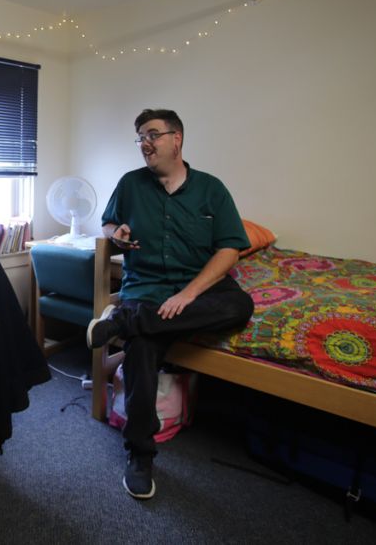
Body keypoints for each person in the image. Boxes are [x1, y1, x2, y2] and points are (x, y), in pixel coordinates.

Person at [87, 109, 255, 499]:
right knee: (142, 350)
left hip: (196, 290)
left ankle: (126, 323)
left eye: (152, 135)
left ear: (176, 139)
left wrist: (189, 294)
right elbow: (108, 224)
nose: (144, 143)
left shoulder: (211, 189)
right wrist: (118, 233)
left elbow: (230, 249)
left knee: (239, 305)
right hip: (145, 288)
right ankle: (140, 456)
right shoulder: (130, 184)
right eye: (140, 137)